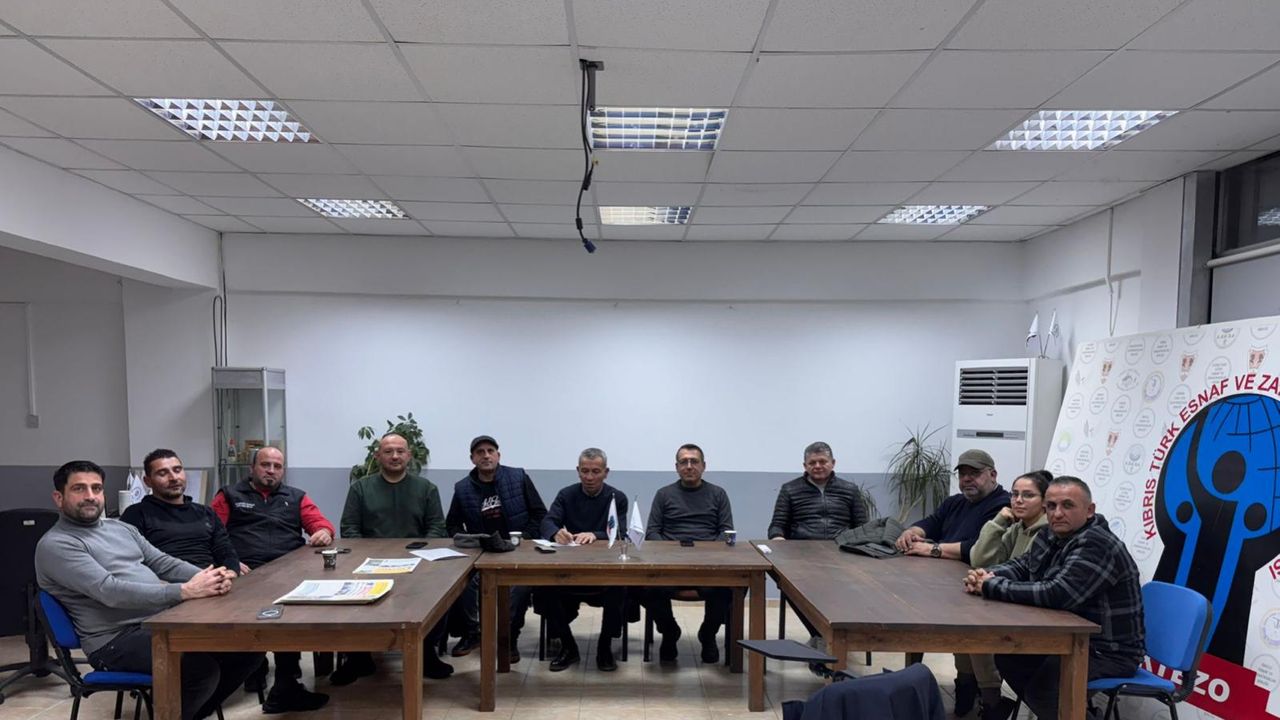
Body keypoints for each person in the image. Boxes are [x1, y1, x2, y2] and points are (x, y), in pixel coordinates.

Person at [35, 460, 260, 720]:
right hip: (113, 641)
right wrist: (185, 591)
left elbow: (163, 562)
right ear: (59, 497)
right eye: (79, 489)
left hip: (157, 623)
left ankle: (186, 714)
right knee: (199, 670)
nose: (90, 496)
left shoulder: (121, 528)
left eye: (96, 488)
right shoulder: (57, 544)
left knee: (246, 650)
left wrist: (209, 576)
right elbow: (110, 591)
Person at [965, 477, 1145, 720]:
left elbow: (1056, 594)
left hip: (1107, 651)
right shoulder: (1051, 534)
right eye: (1051, 506)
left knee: (1045, 690)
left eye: (1067, 505)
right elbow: (1022, 566)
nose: (1057, 513)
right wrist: (988, 574)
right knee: (1009, 657)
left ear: (1089, 510)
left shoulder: (1097, 543)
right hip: (1068, 638)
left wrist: (990, 586)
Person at [212, 446, 334, 714]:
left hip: (288, 571)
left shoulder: (296, 496)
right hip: (246, 572)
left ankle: (286, 681)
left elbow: (321, 523)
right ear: (252, 468)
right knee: (250, 611)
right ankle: (252, 666)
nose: (271, 471)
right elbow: (211, 534)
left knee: (291, 614)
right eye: (265, 465)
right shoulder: (229, 495)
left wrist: (323, 531)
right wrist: (230, 562)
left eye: (277, 466)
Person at [893, 448, 1010, 716]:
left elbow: (976, 549)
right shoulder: (955, 502)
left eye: (974, 473)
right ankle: (964, 686)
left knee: (972, 632)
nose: (967, 479)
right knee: (918, 613)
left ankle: (986, 696)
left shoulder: (1002, 505)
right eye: (963, 474)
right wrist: (912, 532)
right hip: (946, 581)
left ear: (993, 475)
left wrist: (932, 549)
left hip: (982, 585)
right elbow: (932, 522)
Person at [336, 432, 451, 683]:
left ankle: (426, 653)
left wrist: (420, 555)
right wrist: (368, 558)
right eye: (388, 451)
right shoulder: (360, 488)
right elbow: (350, 528)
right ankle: (358, 656)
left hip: (417, 562)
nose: (395, 456)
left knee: (440, 592)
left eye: (400, 451)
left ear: (409, 456)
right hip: (369, 564)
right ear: (378, 456)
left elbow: (436, 528)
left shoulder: (426, 489)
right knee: (349, 596)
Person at [444, 435, 547, 662]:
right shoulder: (462, 488)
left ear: (498, 455)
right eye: (480, 452)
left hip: (517, 551)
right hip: (482, 552)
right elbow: (452, 524)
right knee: (463, 584)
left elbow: (540, 514)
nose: (486, 455)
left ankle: (508, 638)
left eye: (490, 451)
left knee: (519, 590)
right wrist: (469, 541)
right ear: (472, 459)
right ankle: (473, 633)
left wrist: (524, 538)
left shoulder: (518, 477)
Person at [964, 469, 1053, 720]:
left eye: (1028, 495)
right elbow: (979, 559)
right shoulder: (1017, 527)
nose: (1018, 501)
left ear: (1044, 502)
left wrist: (987, 580)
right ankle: (985, 699)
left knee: (978, 634)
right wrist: (998, 522)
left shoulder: (1048, 533)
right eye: (1014, 494)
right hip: (1012, 602)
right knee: (969, 630)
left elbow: (1029, 578)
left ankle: (993, 702)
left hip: (1034, 612)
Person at [536, 447, 628, 672]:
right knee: (543, 588)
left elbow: (622, 532)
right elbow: (547, 522)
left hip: (605, 570)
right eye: (584, 471)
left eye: (595, 471)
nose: (589, 477)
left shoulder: (617, 497)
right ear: (578, 471)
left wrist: (596, 534)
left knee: (621, 587)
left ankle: (605, 646)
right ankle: (568, 647)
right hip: (570, 570)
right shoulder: (566, 494)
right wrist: (555, 533)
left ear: (606, 472)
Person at [767, 441, 869, 644]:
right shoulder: (790, 489)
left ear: (833, 463)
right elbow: (776, 525)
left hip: (842, 554)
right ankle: (821, 635)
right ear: (805, 466)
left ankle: (831, 636)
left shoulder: (850, 490)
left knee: (852, 589)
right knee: (788, 585)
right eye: (812, 462)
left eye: (822, 461)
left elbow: (863, 527)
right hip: (802, 556)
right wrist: (778, 538)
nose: (818, 466)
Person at [645, 443, 734, 664]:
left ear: (703, 466)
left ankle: (708, 634)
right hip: (670, 563)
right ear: (677, 467)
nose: (689, 466)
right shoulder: (664, 494)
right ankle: (669, 632)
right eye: (683, 462)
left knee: (727, 589)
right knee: (645, 588)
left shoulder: (718, 494)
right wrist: (673, 553)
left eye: (694, 461)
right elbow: (652, 532)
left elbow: (726, 532)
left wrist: (704, 553)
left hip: (707, 564)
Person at [121, 448, 244, 575]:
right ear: (148, 481)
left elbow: (226, 551)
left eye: (177, 470)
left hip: (214, 578)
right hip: (169, 582)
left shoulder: (206, 513)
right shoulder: (136, 514)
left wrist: (231, 572)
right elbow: (132, 562)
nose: (174, 478)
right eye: (162, 473)